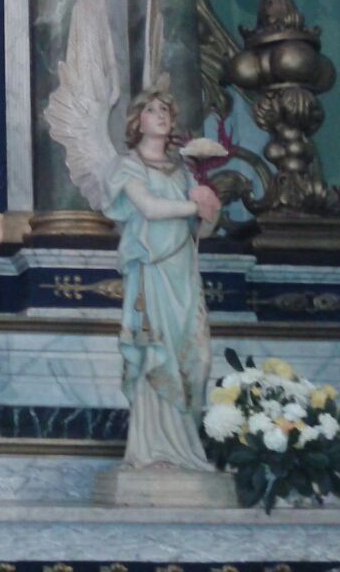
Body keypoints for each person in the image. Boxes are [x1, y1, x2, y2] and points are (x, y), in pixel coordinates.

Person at [102, 87, 222, 470]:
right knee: (158, 354)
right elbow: (150, 208)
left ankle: (186, 446)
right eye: (152, 110)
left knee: (197, 356)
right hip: (151, 272)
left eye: (166, 109)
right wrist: (194, 205)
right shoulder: (128, 166)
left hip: (182, 270)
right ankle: (153, 449)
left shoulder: (183, 170)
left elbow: (201, 231)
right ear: (137, 121)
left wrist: (210, 209)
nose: (162, 115)